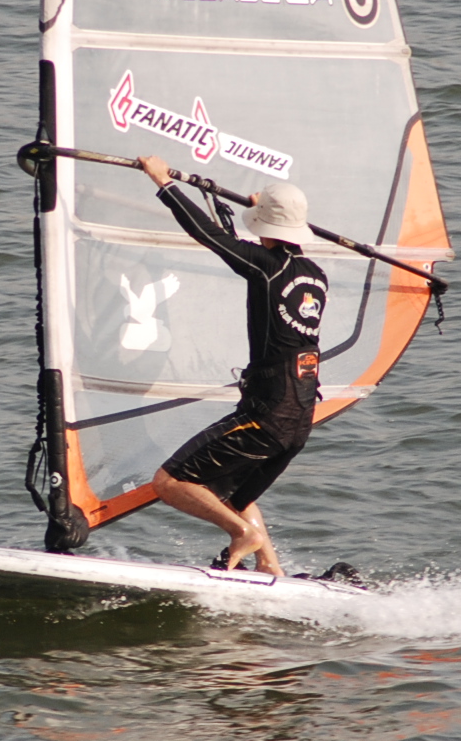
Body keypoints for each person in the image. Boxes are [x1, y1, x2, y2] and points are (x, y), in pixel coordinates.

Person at [137, 154, 327, 576]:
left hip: (266, 413)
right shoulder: (316, 275)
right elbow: (268, 252)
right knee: (234, 494)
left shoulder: (265, 268)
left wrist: (164, 183)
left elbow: (210, 235)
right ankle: (269, 566)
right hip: (300, 418)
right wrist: (263, 216)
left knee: (169, 482)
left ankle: (243, 535)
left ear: (266, 228)